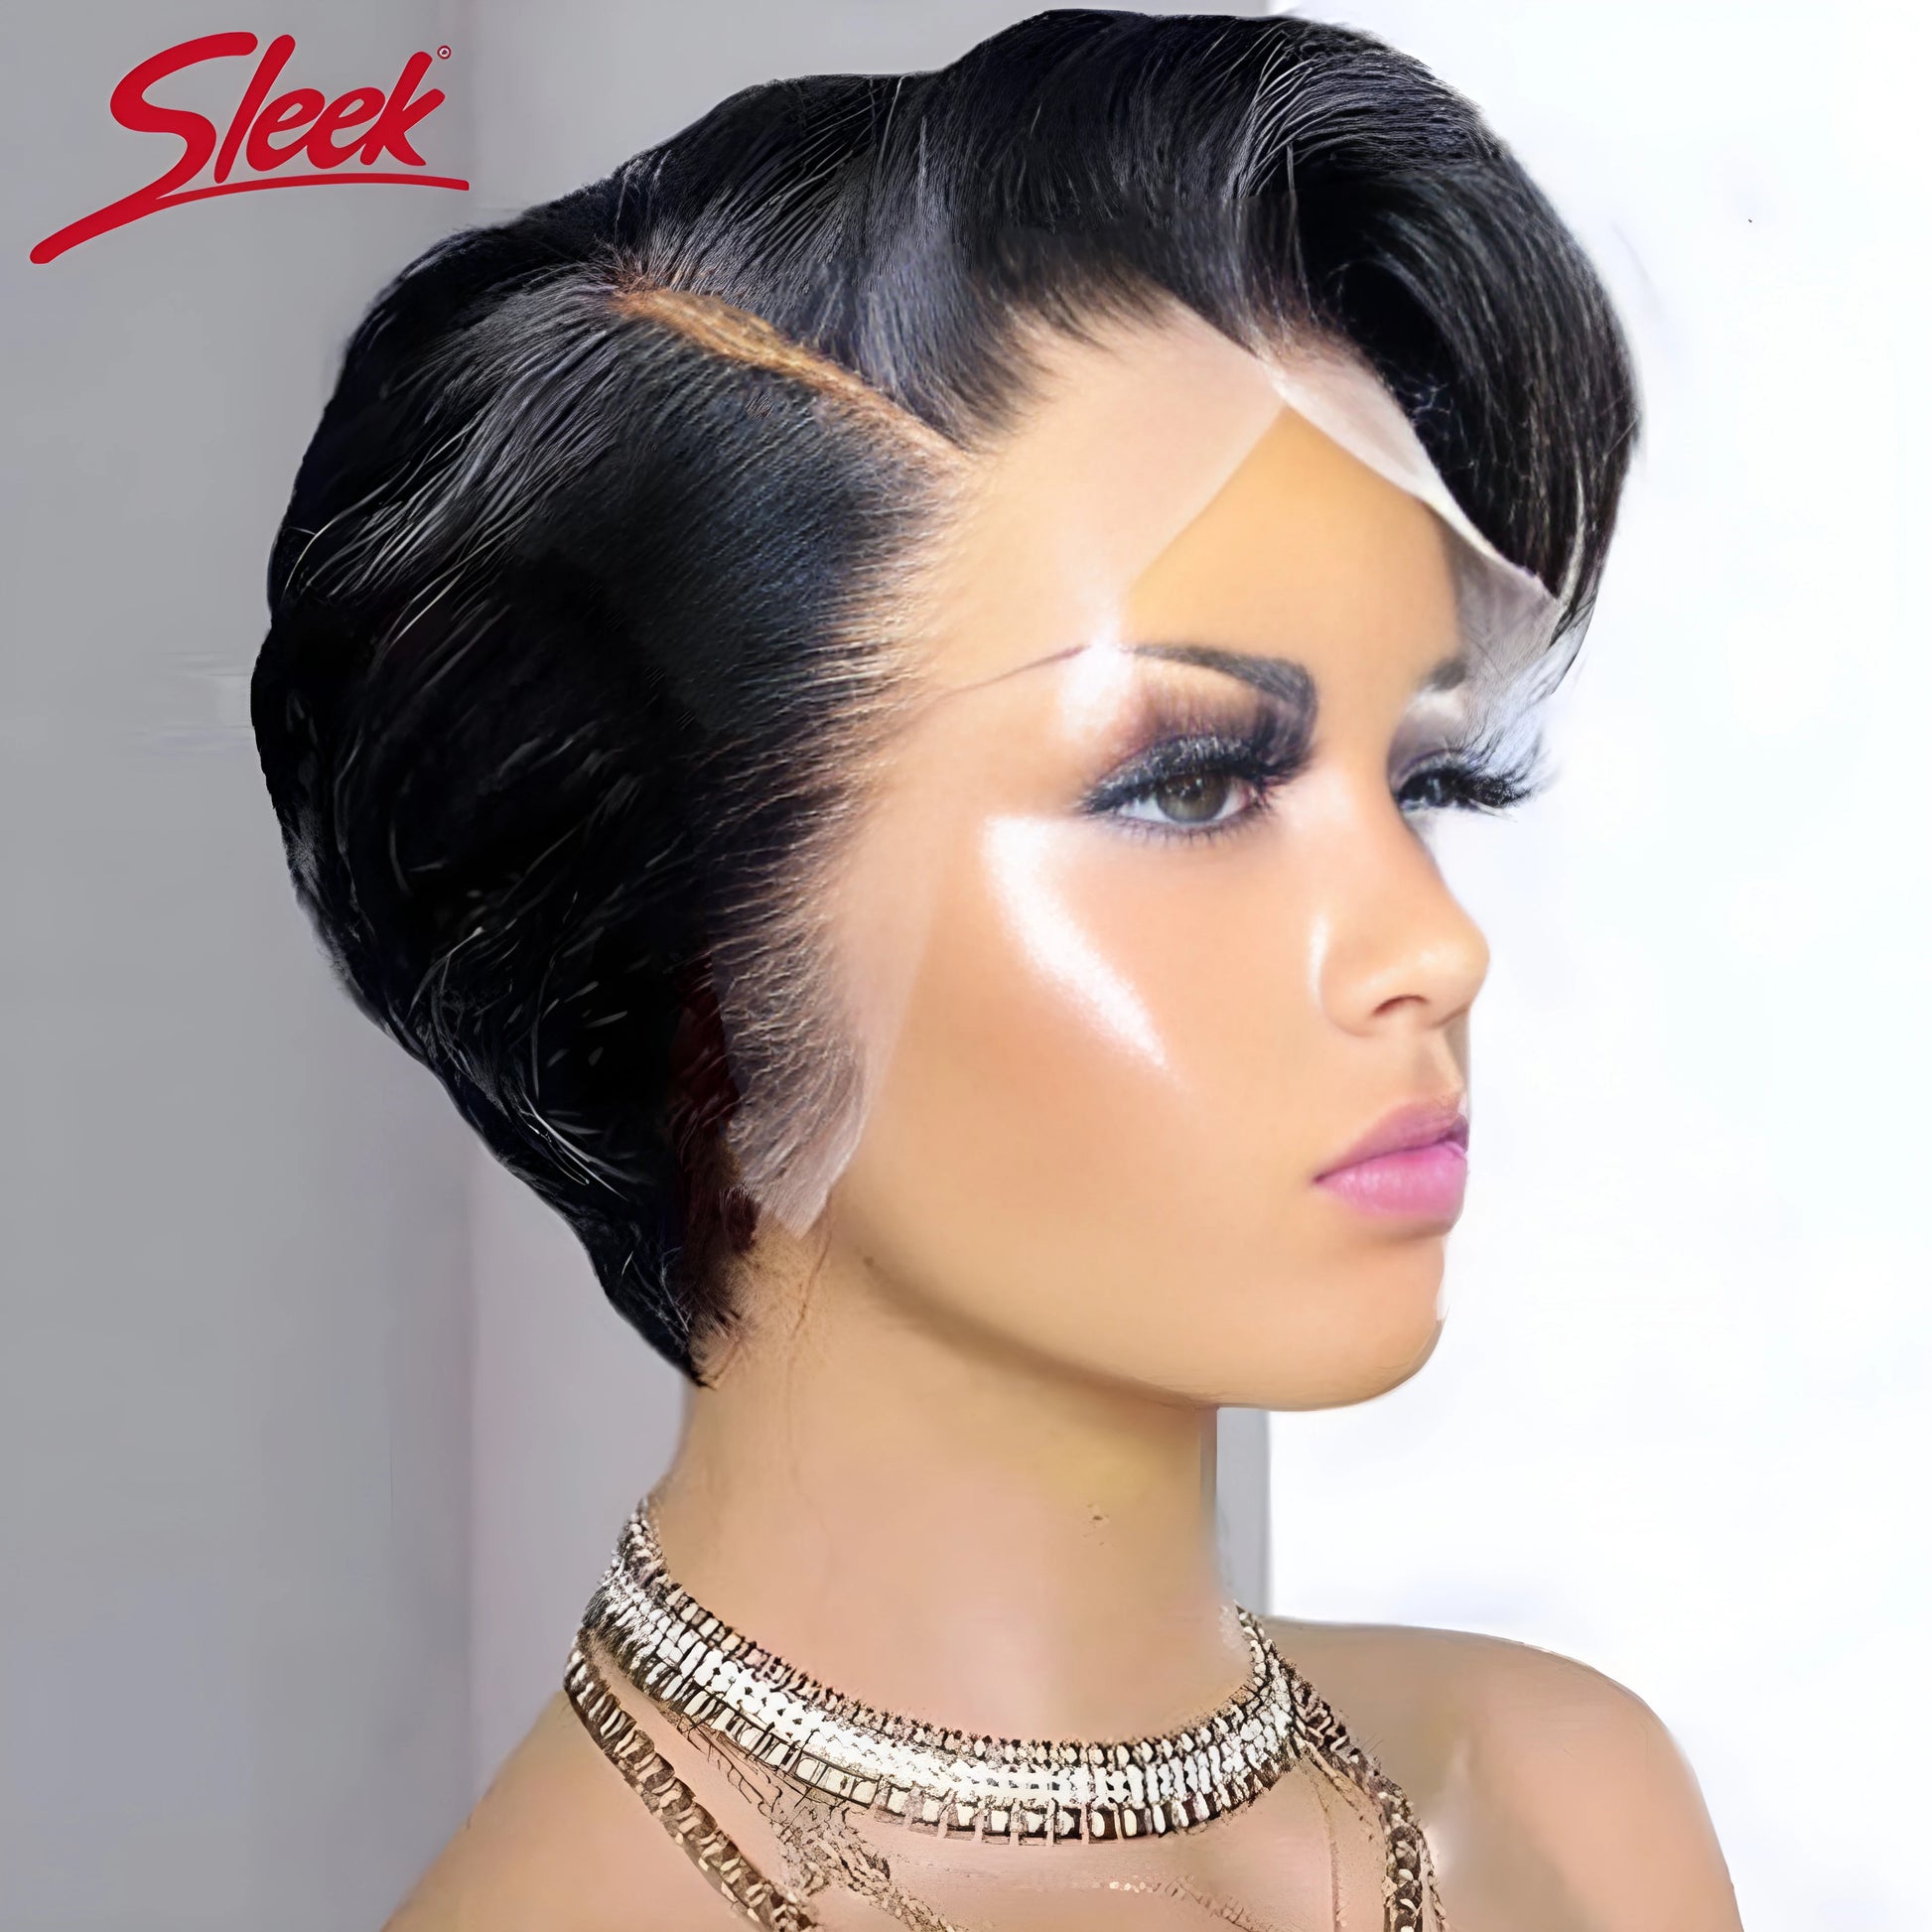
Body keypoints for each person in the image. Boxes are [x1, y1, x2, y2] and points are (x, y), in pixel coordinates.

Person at [252, 11, 1743, 1926]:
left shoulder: (1564, 1810)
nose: (1431, 945)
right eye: (1193, 784)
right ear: (700, 959)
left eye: (1424, 776)